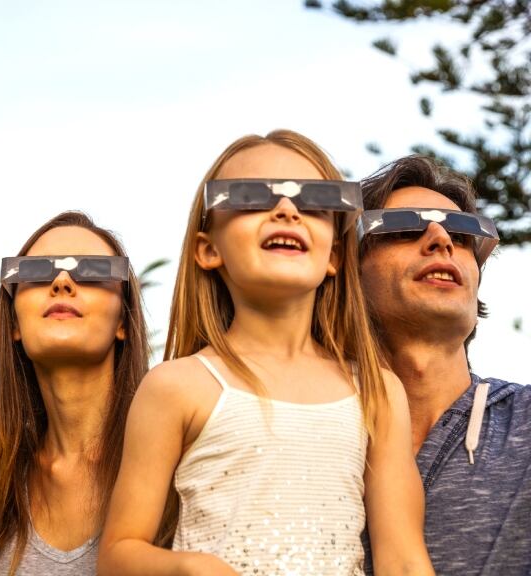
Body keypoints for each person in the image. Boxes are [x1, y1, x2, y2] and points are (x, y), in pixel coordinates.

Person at [98, 129, 434, 575]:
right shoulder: (175, 387)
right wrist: (187, 569)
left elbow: (405, 560)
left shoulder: (376, 390)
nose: (286, 210)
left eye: (315, 201)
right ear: (208, 249)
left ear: (334, 253)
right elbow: (118, 555)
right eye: (251, 197)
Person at [357, 155, 531, 576]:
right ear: (344, 270)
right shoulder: (295, 430)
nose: (441, 238)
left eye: (464, 232)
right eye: (405, 226)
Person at [0, 212, 150, 575]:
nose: (63, 282)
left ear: (123, 323)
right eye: (36, 272)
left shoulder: (179, 458)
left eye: (93, 270)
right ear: (15, 324)